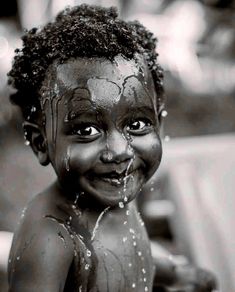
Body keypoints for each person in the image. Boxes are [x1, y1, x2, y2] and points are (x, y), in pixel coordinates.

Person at [7, 4, 216, 292]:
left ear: (160, 123)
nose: (119, 151)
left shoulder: (112, 193)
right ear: (40, 143)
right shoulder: (52, 236)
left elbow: (126, 250)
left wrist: (175, 274)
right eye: (86, 130)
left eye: (138, 124)